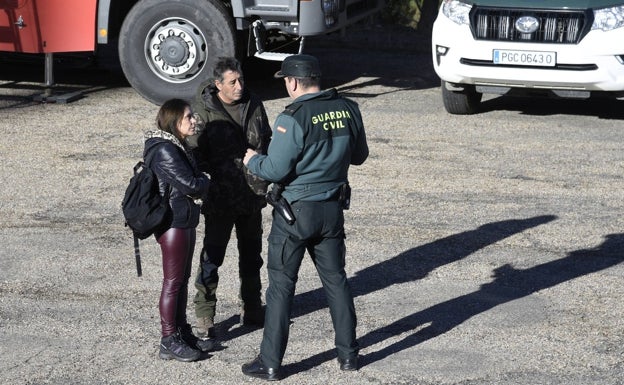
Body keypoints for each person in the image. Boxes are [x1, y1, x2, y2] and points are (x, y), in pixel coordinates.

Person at [241, 54, 369, 380]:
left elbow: (275, 169)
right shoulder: (349, 109)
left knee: (281, 289)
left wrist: (253, 160)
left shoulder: (293, 117)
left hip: (295, 214)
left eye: (285, 80)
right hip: (332, 211)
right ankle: (349, 356)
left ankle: (270, 362)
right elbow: (360, 156)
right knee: (337, 282)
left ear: (294, 81)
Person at [189, 57, 272, 351]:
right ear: (218, 84)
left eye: (241, 80)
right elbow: (194, 153)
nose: (239, 86)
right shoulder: (203, 111)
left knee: (252, 256)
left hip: (251, 196)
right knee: (212, 258)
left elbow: (267, 140)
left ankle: (252, 307)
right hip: (220, 199)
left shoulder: (254, 103)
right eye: (233, 82)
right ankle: (205, 315)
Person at [143, 99, 211, 362]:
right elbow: (190, 184)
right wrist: (207, 179)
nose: (194, 120)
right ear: (174, 122)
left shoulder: (176, 145)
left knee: (180, 281)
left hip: (183, 219)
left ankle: (181, 332)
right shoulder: (165, 150)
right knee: (172, 283)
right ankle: (168, 339)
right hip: (173, 222)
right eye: (188, 117)